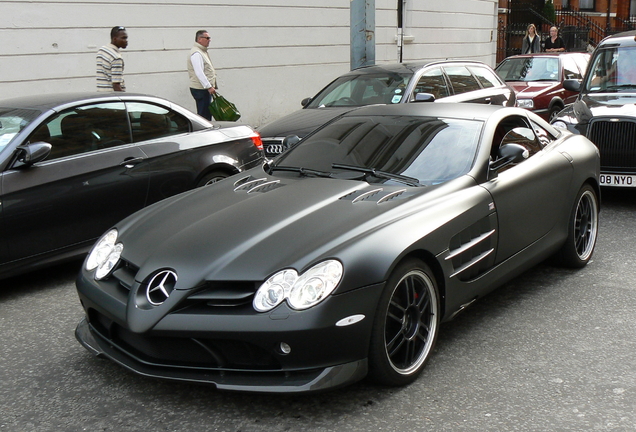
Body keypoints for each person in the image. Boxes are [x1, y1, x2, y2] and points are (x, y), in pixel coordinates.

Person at [187, 30, 217, 120]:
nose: (209, 40)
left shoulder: (201, 51)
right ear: (199, 39)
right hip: (201, 89)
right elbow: (199, 72)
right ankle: (203, 133)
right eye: (207, 38)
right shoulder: (196, 53)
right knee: (204, 116)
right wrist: (208, 86)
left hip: (204, 89)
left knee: (206, 113)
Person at [96, 26, 128, 92]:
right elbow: (116, 86)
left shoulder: (102, 50)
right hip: (112, 98)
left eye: (126, 38)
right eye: (123, 38)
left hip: (100, 96)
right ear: (115, 39)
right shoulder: (116, 58)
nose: (126, 41)